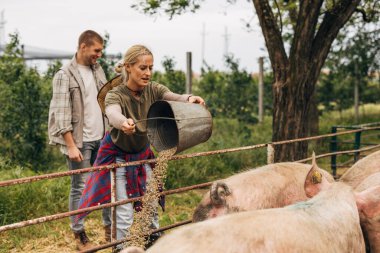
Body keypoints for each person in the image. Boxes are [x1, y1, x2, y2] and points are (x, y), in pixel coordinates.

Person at [75, 44, 205, 251]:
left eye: (151, 68)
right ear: (128, 67)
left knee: (151, 203)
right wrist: (122, 122)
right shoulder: (115, 94)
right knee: (124, 209)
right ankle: (122, 247)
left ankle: (153, 240)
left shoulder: (154, 89)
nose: (148, 73)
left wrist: (189, 98)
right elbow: (113, 112)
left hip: (143, 155)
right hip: (119, 158)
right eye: (143, 68)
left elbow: (173, 97)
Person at [48, 30, 111, 251]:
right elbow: (61, 114)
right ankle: (79, 233)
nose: (99, 55)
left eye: (101, 51)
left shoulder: (98, 70)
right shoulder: (64, 75)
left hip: (101, 138)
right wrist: (71, 145)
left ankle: (109, 230)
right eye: (96, 50)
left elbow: (106, 98)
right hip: (79, 142)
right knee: (80, 187)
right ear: (83, 46)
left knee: (105, 183)